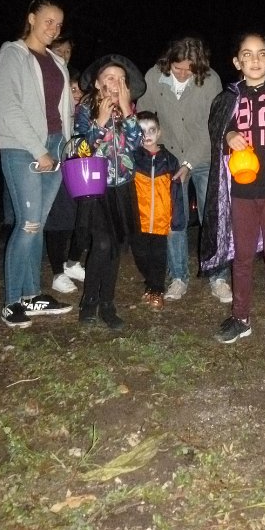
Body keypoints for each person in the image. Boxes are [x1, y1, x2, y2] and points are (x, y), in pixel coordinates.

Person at [200, 31, 265, 350]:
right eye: (247, 54)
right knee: (242, 257)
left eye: (261, 54)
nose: (255, 60)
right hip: (242, 192)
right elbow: (218, 130)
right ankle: (241, 317)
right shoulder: (228, 98)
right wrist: (228, 135)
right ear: (237, 62)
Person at [0, 0, 74, 328]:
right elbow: (9, 107)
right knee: (27, 224)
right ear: (31, 18)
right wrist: (38, 150)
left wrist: (65, 146)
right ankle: (12, 301)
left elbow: (63, 109)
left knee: (37, 225)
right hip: (23, 149)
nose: (54, 28)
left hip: (55, 146)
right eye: (48, 21)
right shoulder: (13, 53)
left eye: (59, 24)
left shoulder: (56, 60)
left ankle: (32, 295)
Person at [137, 36, 232, 303]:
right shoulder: (154, 77)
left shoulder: (210, 80)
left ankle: (218, 276)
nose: (181, 74)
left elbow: (211, 125)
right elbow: (145, 115)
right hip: (168, 160)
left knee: (211, 217)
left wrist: (189, 162)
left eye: (188, 70)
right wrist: (152, 145)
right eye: (177, 68)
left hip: (203, 158)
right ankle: (178, 276)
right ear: (169, 61)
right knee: (173, 220)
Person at [75, 54, 145, 329]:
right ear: (97, 83)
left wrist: (127, 110)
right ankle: (89, 300)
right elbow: (82, 149)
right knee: (102, 243)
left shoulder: (128, 109)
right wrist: (100, 121)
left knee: (115, 246)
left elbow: (136, 145)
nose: (116, 83)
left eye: (121, 79)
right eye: (110, 78)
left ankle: (108, 303)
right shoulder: (85, 108)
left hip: (122, 187)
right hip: (95, 187)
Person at [130, 111, 186, 310]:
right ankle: (150, 283)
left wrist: (175, 221)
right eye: (142, 131)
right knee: (141, 256)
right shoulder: (133, 158)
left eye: (151, 130)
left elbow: (176, 193)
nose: (147, 135)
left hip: (161, 221)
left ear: (159, 132)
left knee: (158, 257)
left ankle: (157, 290)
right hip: (139, 220)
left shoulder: (170, 160)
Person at [44, 47, 86, 294]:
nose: (77, 94)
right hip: (57, 168)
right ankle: (57, 273)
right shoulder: (55, 113)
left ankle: (72, 263)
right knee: (58, 221)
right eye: (72, 89)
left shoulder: (84, 113)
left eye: (80, 89)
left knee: (83, 219)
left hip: (80, 172)